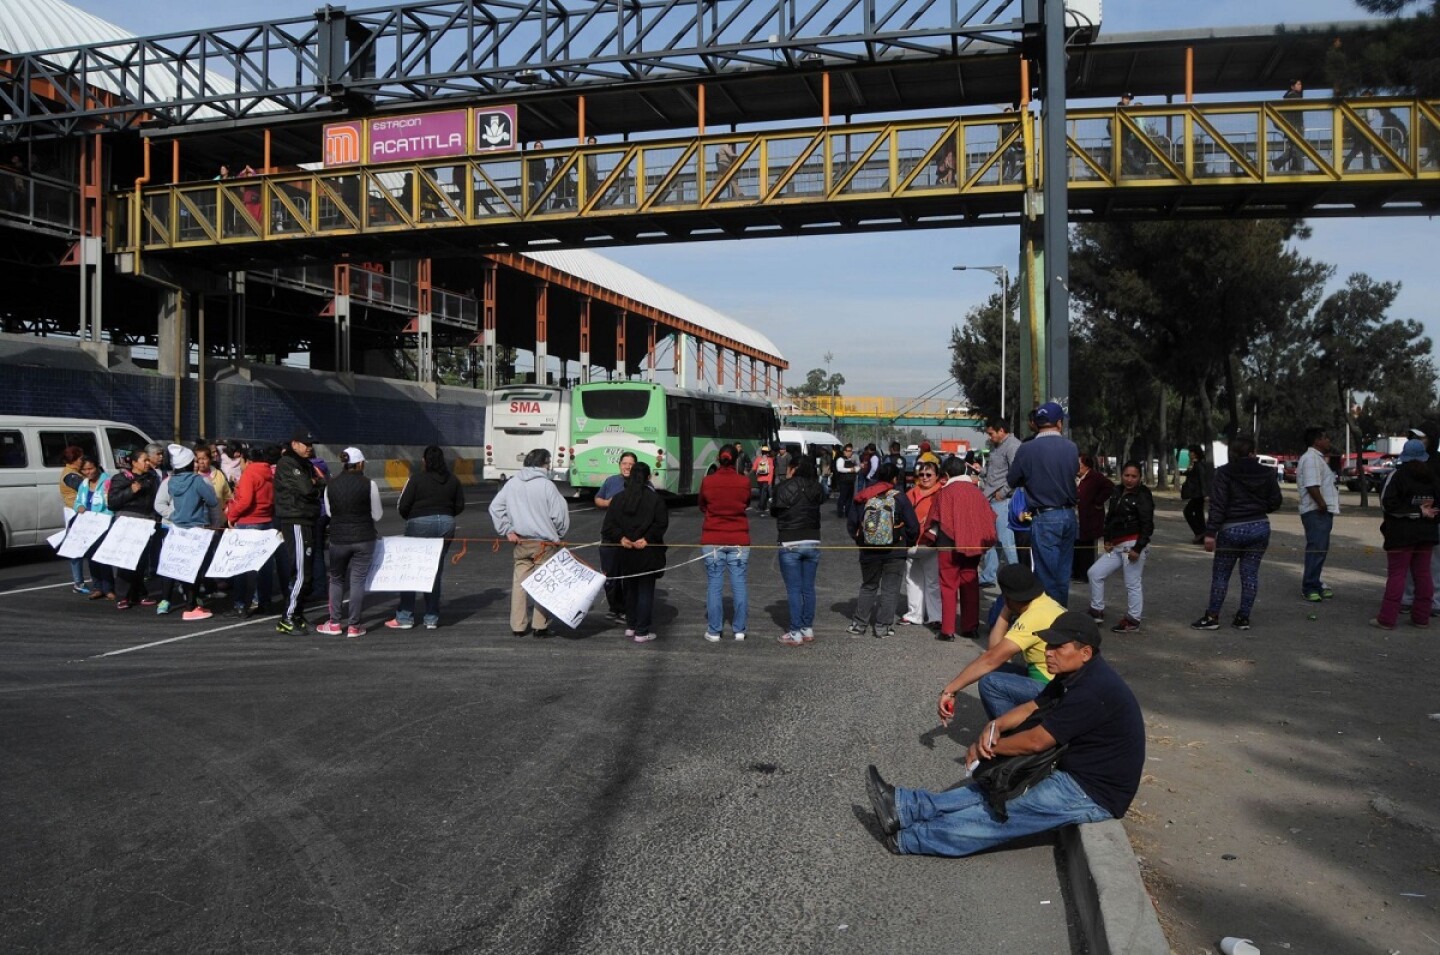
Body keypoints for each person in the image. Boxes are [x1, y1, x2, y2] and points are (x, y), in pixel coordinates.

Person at [866, 610, 1144, 857]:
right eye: (1049, 644)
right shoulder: (1074, 675)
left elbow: (1037, 742)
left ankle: (911, 839)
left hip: (1092, 793)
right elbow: (1033, 706)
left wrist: (990, 748)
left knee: (1000, 814)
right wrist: (996, 726)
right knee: (993, 786)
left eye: (1059, 646)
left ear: (1085, 653)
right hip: (1072, 772)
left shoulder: (1094, 690)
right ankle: (904, 807)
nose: (1049, 651)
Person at [936, 564, 1061, 721]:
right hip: (1057, 683)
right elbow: (994, 651)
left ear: (1008, 596)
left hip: (1052, 690)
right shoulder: (1044, 603)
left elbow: (991, 658)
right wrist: (1006, 610)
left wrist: (950, 690)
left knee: (990, 683)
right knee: (993, 671)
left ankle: (1013, 736)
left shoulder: (1033, 617)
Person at [1190, 434, 1283, 631]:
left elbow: (1218, 505)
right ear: (1253, 453)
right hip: (1259, 527)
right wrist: (1258, 507)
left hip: (1231, 529)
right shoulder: (1267, 473)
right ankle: (1243, 617)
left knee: (1221, 575)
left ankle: (1212, 616)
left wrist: (1210, 532)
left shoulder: (1224, 473)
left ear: (1232, 453)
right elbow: (1276, 501)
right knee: (1250, 574)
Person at [490, 448, 570, 636]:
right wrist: (558, 534)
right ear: (545, 464)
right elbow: (559, 515)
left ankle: (518, 626)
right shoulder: (547, 485)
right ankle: (539, 625)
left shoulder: (512, 483)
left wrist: (507, 530)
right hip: (544, 543)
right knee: (543, 583)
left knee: (519, 584)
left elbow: (495, 507)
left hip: (521, 541)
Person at [1007, 402, 1079, 607]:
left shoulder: (1027, 449)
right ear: (1059, 423)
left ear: (1036, 424)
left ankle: (1048, 621)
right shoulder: (1071, 448)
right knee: (1063, 574)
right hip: (1068, 515)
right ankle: (1061, 614)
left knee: (1045, 574)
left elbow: (1012, 480)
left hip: (1044, 515)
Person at [387, 445, 466, 631]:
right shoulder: (453, 480)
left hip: (420, 522)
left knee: (411, 569)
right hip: (446, 523)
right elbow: (460, 505)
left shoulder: (416, 479)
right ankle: (431, 618)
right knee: (435, 570)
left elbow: (403, 505)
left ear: (424, 461)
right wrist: (446, 515)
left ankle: (405, 617)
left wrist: (414, 517)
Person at [924, 456, 995, 641]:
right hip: (973, 545)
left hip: (948, 546)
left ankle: (947, 630)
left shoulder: (945, 493)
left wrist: (929, 539)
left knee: (948, 587)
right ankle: (970, 628)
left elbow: (934, 523)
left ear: (946, 474)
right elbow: (989, 518)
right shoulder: (977, 492)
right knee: (970, 583)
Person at [312, 448, 381, 637]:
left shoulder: (330, 485)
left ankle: (334, 623)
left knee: (336, 578)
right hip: (364, 538)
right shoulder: (370, 485)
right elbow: (377, 514)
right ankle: (354, 626)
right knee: (357, 580)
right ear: (360, 464)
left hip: (338, 538)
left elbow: (331, 513)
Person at [846, 461, 920, 638]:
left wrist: (863, 541)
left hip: (869, 551)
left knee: (868, 586)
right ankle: (883, 627)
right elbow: (913, 527)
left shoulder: (864, 496)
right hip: (895, 551)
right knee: (890, 589)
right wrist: (905, 543)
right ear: (895, 478)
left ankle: (859, 624)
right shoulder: (900, 497)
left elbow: (852, 524)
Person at [1372, 439, 1440, 630]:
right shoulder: (1433, 478)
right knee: (1424, 574)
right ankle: (1421, 618)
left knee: (1397, 575)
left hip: (1401, 534)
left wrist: (1415, 512)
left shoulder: (1397, 476)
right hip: (1426, 534)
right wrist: (1428, 513)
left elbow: (1388, 504)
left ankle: (1386, 618)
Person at [601, 461, 668, 643]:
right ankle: (642, 630)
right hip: (647, 550)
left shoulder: (619, 498)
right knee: (645, 591)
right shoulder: (655, 499)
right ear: (648, 478)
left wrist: (621, 538)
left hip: (626, 550)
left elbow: (609, 526)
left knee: (630, 589)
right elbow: (661, 524)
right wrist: (647, 539)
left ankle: (631, 625)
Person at [154, 443, 220, 621]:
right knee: (194, 568)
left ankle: (183, 602)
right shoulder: (197, 480)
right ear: (190, 463)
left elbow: (163, 503)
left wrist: (174, 514)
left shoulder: (172, 481)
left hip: (176, 528)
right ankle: (191, 606)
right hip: (196, 529)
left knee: (177, 565)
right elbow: (212, 500)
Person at [1087, 462, 1155, 634]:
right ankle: (1096, 610)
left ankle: (1133, 619)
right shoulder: (1117, 491)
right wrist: (1108, 538)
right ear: (1121, 475)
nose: (1130, 480)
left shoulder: (1143, 495)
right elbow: (1110, 517)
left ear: (1140, 478)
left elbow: (1147, 525)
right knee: (1094, 573)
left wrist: (1138, 548)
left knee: (1132, 582)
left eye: (1134, 476)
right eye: (1126, 475)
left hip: (1133, 543)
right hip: (1116, 545)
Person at [273, 429, 326, 634]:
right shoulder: (288, 463)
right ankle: (287, 617)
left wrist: (315, 484)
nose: (309, 447)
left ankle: (297, 613)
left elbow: (320, 483)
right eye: (306, 444)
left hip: (307, 517)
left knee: (308, 572)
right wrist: (314, 485)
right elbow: (306, 488)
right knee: (302, 572)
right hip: (295, 519)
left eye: (311, 444)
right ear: (294, 444)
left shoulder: (305, 464)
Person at [772, 455, 826, 645]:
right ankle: (807, 628)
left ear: (794, 468)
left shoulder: (783, 487)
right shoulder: (817, 487)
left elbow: (774, 509)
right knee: (808, 588)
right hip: (812, 539)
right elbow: (823, 499)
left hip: (790, 541)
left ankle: (794, 632)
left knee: (794, 589)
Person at [698, 447, 751, 642]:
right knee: (739, 584)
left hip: (713, 537)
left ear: (718, 459)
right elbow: (744, 503)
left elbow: (702, 504)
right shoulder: (744, 482)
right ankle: (739, 630)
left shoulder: (708, 481)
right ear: (736, 460)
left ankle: (714, 630)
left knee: (714, 584)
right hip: (739, 538)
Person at [106, 450, 161, 610]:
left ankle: (139, 594)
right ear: (134, 463)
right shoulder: (121, 478)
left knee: (141, 560)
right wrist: (131, 490)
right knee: (126, 558)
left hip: (146, 521)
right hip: (127, 521)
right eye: (144, 460)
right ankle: (122, 596)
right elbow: (112, 502)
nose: (147, 463)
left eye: (148, 460)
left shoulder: (151, 478)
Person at [226, 445, 276, 617]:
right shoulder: (268, 473)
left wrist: (231, 515)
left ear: (246, 460)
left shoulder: (249, 474)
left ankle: (240, 604)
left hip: (248, 522)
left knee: (242, 565)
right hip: (266, 522)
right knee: (263, 566)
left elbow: (245, 501)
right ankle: (263, 601)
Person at [900, 459, 945, 629]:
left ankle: (935, 617)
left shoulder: (942, 493)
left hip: (930, 544)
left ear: (937, 476)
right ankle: (914, 614)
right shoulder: (910, 493)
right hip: (911, 543)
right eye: (922, 475)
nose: (925, 478)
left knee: (932, 582)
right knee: (912, 580)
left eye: (929, 474)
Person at [592, 451, 637, 620]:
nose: (627, 467)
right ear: (619, 465)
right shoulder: (611, 481)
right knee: (610, 574)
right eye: (625, 463)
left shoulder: (640, 483)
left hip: (630, 536)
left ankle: (627, 609)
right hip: (611, 535)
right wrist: (608, 502)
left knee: (628, 575)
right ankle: (615, 607)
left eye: (631, 464)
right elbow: (598, 499)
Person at [1297, 427, 1340, 603]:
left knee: (1320, 549)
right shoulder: (1311, 459)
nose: (1329, 441)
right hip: (1316, 511)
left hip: (1321, 510)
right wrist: (1322, 504)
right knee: (1316, 549)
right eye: (1326, 438)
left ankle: (1316, 581)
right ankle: (1309, 586)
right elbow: (1311, 485)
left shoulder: (1317, 459)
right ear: (1317, 441)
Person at [978, 419, 1023, 589]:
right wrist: (982, 471)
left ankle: (1017, 578)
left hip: (1002, 501)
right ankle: (989, 575)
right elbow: (996, 471)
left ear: (1001, 430)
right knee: (990, 540)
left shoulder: (1012, 446)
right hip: (991, 498)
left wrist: (1003, 492)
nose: (990, 438)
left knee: (1006, 541)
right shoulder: (997, 447)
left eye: (991, 434)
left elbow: (1016, 473)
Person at [72, 456, 115, 601]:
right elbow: (77, 501)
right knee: (91, 557)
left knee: (102, 557)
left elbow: (111, 504)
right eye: (84, 470)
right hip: (87, 526)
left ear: (97, 467)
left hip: (102, 524)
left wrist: (103, 518)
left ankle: (109, 588)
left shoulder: (107, 481)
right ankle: (97, 587)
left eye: (90, 468)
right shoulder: (84, 484)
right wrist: (79, 507)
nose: (88, 472)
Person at [1072, 454, 1114, 583]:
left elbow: (1110, 487)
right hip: (1077, 517)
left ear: (1086, 465)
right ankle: (1076, 572)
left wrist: (1098, 501)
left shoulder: (1095, 477)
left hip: (1090, 518)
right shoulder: (1076, 478)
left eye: (1079, 464)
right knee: (1076, 545)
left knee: (1087, 547)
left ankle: (1086, 574)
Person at [58, 445, 89, 594]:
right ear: (74, 460)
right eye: (81, 459)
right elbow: (86, 490)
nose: (83, 461)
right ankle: (78, 583)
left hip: (77, 513)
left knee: (80, 548)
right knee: (77, 549)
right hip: (76, 514)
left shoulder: (73, 473)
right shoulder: (71, 476)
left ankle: (81, 582)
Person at [1180, 444, 1213, 544]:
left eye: (1191, 452)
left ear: (1195, 453)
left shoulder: (1199, 465)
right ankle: (1202, 535)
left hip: (1198, 494)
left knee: (1188, 511)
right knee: (1198, 514)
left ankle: (1200, 532)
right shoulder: (1194, 464)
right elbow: (1189, 474)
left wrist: (1205, 494)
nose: (1189, 454)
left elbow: (1202, 480)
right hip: (1195, 493)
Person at [1273, 79, 1306, 172]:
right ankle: (1299, 169)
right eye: (1298, 84)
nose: (1300, 86)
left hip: (1290, 127)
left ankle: (1283, 165)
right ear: (1293, 86)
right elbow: (1296, 114)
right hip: (1295, 127)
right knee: (1298, 148)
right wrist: (1300, 126)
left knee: (1294, 149)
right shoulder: (1294, 97)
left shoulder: (1289, 96)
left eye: (1301, 84)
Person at [833, 443, 856, 517]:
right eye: (848, 451)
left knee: (850, 498)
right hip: (844, 481)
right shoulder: (840, 459)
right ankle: (840, 513)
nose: (850, 452)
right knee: (842, 497)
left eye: (851, 451)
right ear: (844, 451)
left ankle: (847, 512)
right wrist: (850, 470)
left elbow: (855, 468)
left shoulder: (851, 459)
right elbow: (840, 469)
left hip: (851, 481)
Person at [750, 445, 776, 513]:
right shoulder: (770, 460)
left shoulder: (758, 459)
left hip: (759, 479)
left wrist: (757, 473)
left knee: (761, 493)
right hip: (766, 479)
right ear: (768, 452)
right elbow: (771, 471)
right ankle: (761, 507)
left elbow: (754, 468)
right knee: (763, 494)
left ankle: (762, 506)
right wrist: (770, 481)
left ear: (761, 452)